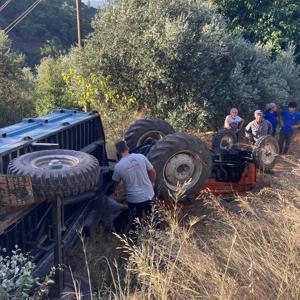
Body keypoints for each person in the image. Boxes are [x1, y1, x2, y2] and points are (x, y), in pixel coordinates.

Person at [112, 140, 158, 228]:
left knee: (137, 222)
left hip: (134, 200)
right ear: (127, 148)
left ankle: (138, 239)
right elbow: (152, 171)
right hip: (149, 195)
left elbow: (116, 182)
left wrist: (115, 190)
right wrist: (152, 184)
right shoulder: (141, 157)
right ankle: (157, 236)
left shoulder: (118, 166)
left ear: (117, 152)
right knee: (154, 219)